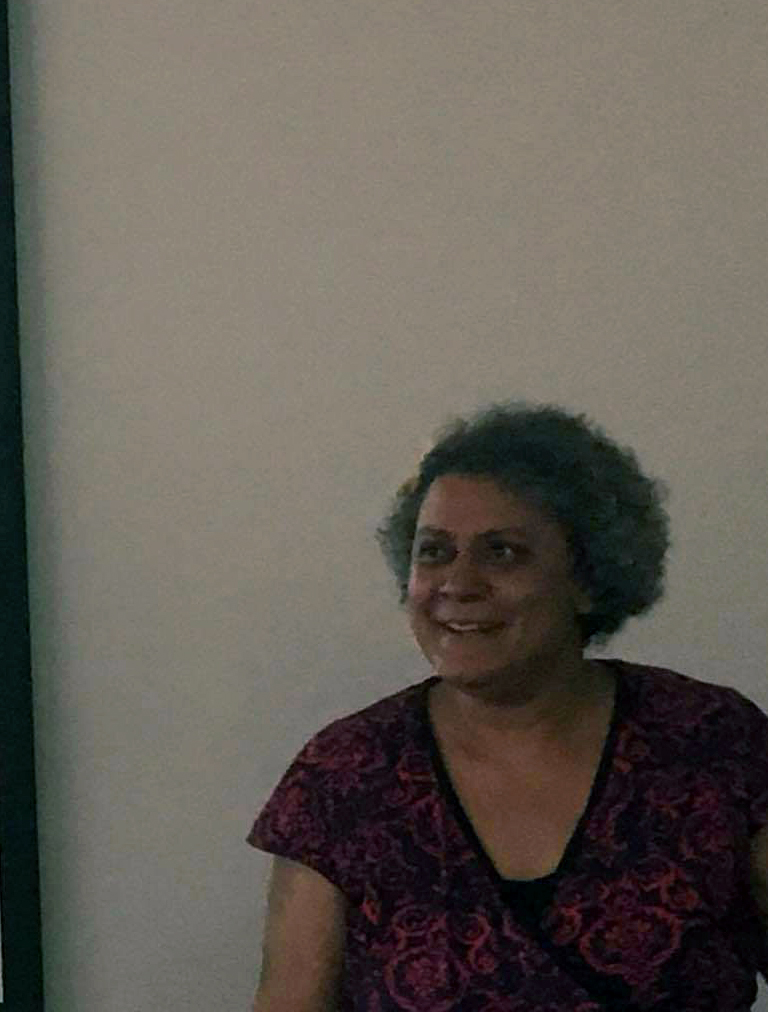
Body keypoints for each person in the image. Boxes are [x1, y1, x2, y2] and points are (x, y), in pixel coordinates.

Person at [249, 403, 768, 1011]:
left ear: (588, 578)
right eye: (434, 551)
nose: (458, 584)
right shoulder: (344, 777)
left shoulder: (713, 742)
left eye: (502, 553)